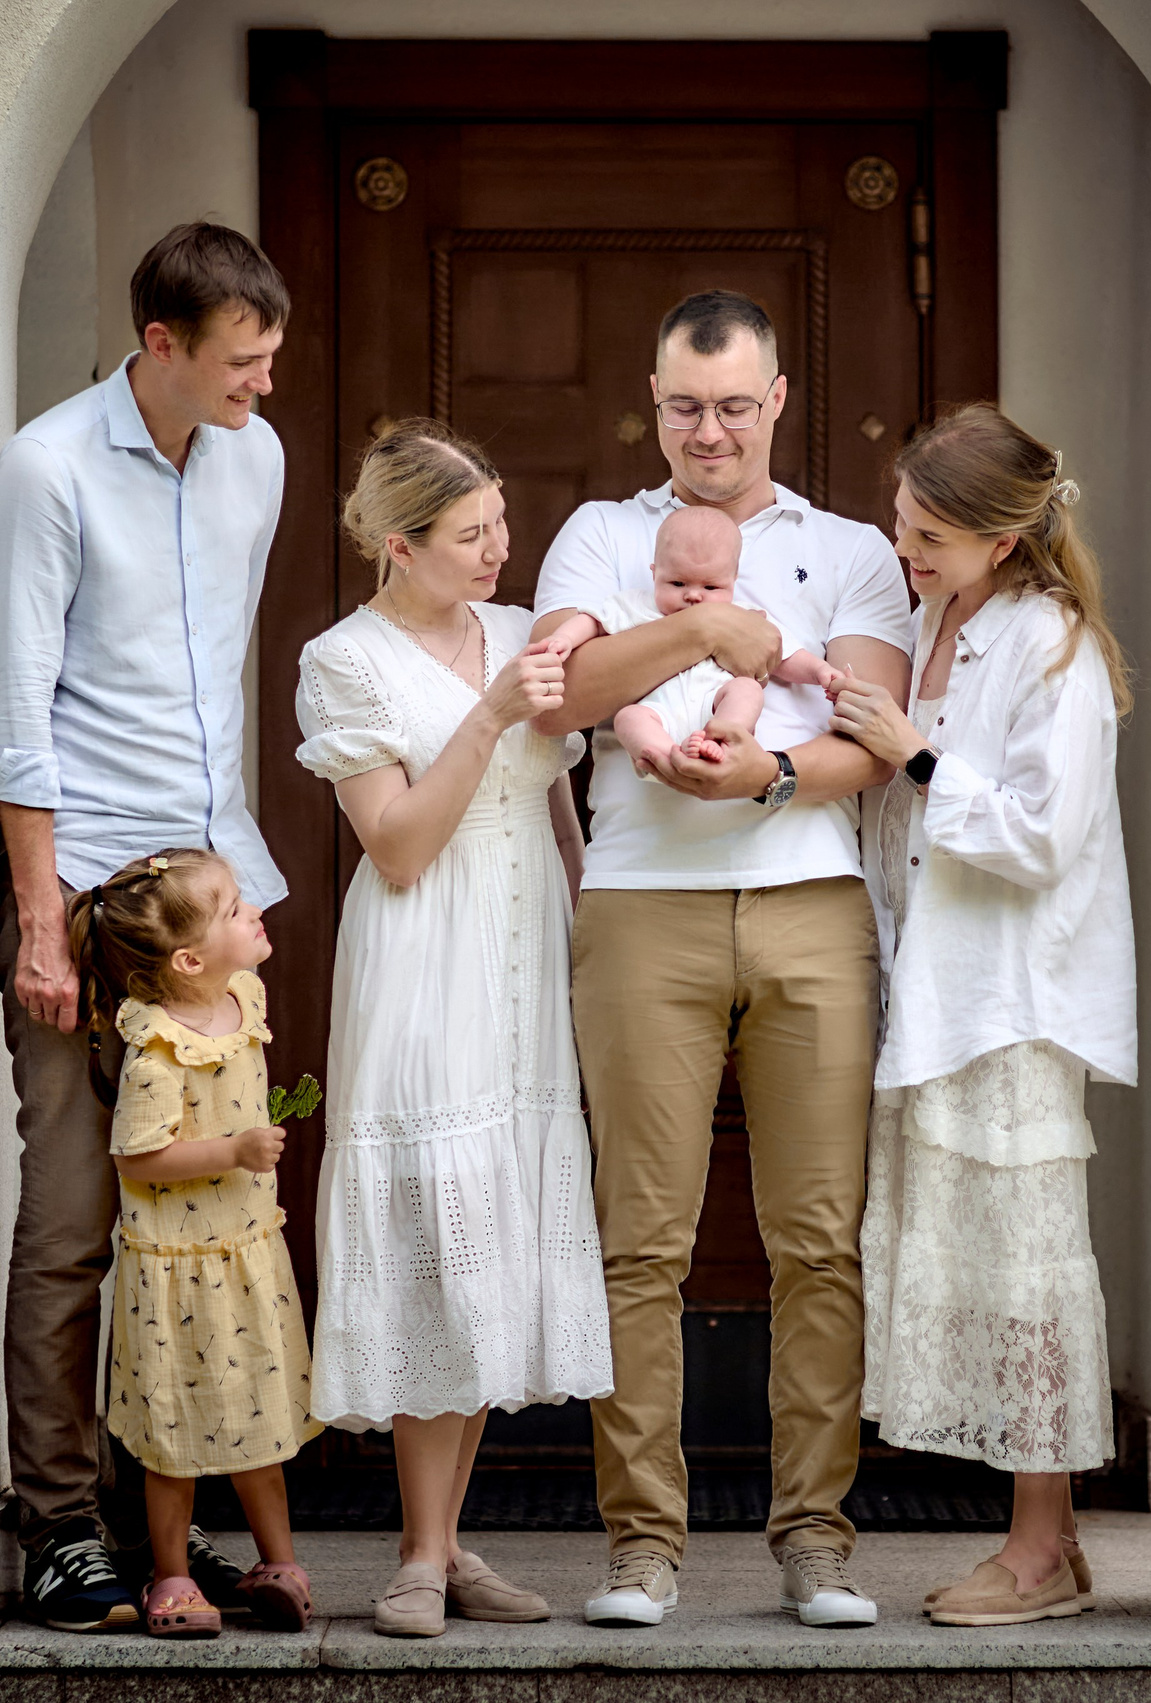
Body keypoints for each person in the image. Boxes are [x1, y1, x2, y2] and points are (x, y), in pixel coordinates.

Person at [526, 290, 914, 1630]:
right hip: (641, 906)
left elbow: (873, 731)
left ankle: (817, 1538)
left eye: (735, 405)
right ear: (653, 398)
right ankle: (642, 1547)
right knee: (642, 1241)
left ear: (779, 399)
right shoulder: (602, 533)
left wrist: (766, 775)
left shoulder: (855, 546)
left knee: (818, 1239)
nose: (710, 430)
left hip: (810, 897)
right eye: (687, 406)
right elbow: (564, 694)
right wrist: (702, 629)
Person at [0, 220, 289, 1630]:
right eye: (242, 359)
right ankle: (60, 1526)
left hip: (212, 904)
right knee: (75, 1225)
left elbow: (218, 682)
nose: (262, 387)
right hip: (92, 900)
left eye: (272, 358)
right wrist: (40, 923)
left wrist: (240, 897)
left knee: (214, 1228)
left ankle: (168, 1531)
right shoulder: (47, 470)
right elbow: (19, 709)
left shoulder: (257, 463)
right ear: (160, 343)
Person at [295, 419, 614, 1639]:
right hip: (424, 947)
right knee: (439, 1215)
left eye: (500, 525)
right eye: (472, 533)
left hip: (524, 941)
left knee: (499, 1227)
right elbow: (398, 844)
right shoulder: (346, 661)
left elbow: (556, 797)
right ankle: (419, 1557)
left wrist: (586, 928)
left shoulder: (528, 624)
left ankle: (442, 1541)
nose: (498, 548)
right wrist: (486, 710)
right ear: (399, 545)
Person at [826, 404, 1135, 1627]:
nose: (907, 551)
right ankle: (1032, 1537)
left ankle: (1042, 1546)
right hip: (933, 993)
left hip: (1011, 1002)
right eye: (903, 527)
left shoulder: (1050, 642)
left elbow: (1041, 835)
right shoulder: (931, 618)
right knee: (973, 1266)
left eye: (931, 537)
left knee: (1027, 1274)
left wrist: (912, 755)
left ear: (1003, 540)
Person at [68, 848, 321, 1639]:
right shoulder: (156, 1051)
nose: (254, 914)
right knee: (173, 1431)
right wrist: (233, 1151)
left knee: (258, 1415)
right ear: (188, 959)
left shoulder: (244, 997)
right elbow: (139, 1158)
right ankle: (172, 1572)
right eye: (235, 909)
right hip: (175, 1272)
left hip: (245, 1253)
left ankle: (276, 1561)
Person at [541, 505, 843, 778]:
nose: (694, 595)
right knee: (629, 719)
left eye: (711, 586)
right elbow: (593, 619)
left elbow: (785, 654)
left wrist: (819, 672)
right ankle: (664, 757)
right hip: (658, 709)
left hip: (715, 702)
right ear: (655, 573)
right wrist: (564, 637)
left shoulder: (744, 617)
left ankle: (725, 737)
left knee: (746, 690)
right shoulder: (635, 606)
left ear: (734, 580)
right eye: (678, 583)